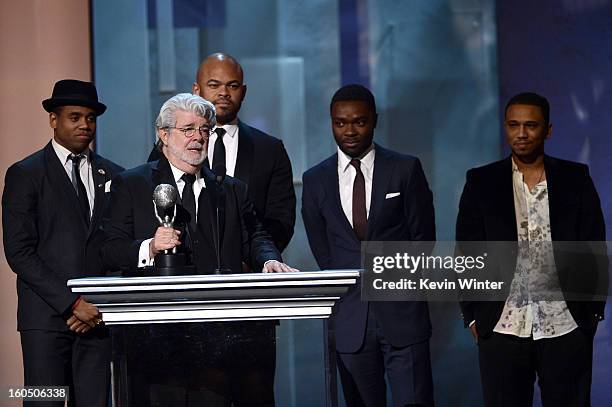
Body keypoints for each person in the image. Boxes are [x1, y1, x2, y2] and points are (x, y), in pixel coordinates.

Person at [102, 93, 296, 406]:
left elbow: (255, 236)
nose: (199, 137)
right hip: (157, 341)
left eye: (205, 129)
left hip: (217, 345)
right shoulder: (133, 184)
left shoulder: (229, 188)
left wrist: (269, 260)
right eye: (188, 129)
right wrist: (149, 247)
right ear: (164, 135)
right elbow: (109, 249)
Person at [456, 92, 607, 406]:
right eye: (513, 125)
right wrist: (472, 316)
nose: (521, 134)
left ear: (547, 130)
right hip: (501, 325)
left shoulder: (575, 179)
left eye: (530, 125)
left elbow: (594, 246)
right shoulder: (481, 182)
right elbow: (468, 253)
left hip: (566, 325)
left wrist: (592, 313)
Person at [302, 84, 436, 407]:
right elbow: (324, 251)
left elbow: (423, 239)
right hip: (350, 320)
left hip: (403, 314)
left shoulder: (405, 169)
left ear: (374, 120)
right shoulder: (315, 179)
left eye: (359, 122)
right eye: (340, 122)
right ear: (331, 122)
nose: (349, 131)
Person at [2, 79, 124, 407]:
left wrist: (97, 304)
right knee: (44, 403)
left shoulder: (115, 175)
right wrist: (72, 303)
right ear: (53, 120)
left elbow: (117, 247)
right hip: (45, 322)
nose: (84, 124)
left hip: (97, 320)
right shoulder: (25, 174)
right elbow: (19, 251)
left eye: (90, 117)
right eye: (74, 117)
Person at [149, 52, 296, 253]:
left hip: (249, 273)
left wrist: (253, 259)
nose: (224, 93)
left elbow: (281, 220)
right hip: (183, 265)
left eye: (232, 86)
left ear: (243, 92)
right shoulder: (168, 146)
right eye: (214, 85)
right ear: (196, 90)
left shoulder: (270, 150)